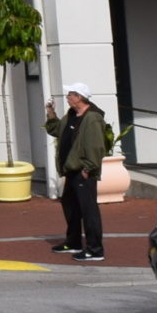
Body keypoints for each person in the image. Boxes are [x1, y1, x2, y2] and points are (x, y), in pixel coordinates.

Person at [44, 83, 112, 263]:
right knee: (70, 206)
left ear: (79, 97)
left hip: (83, 172)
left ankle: (95, 249)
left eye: (70, 94)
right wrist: (51, 113)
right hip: (71, 171)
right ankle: (73, 242)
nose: (67, 97)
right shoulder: (72, 115)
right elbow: (56, 130)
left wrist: (88, 168)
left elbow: (96, 146)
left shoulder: (92, 118)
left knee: (88, 210)